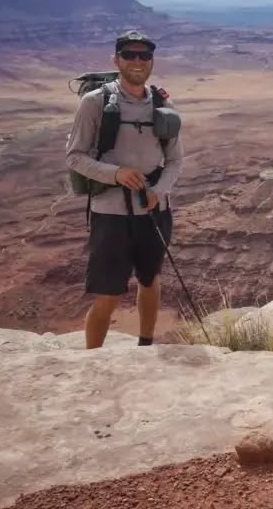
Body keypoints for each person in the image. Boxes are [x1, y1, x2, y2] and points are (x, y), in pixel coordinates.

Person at [65, 30, 184, 349]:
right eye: (129, 55)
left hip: (154, 211)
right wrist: (115, 174)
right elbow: (74, 156)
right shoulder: (95, 102)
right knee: (109, 291)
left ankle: (145, 347)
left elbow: (175, 160)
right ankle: (93, 361)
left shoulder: (163, 102)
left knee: (150, 279)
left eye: (144, 55)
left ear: (152, 61)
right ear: (115, 59)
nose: (137, 61)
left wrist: (159, 190)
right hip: (111, 214)